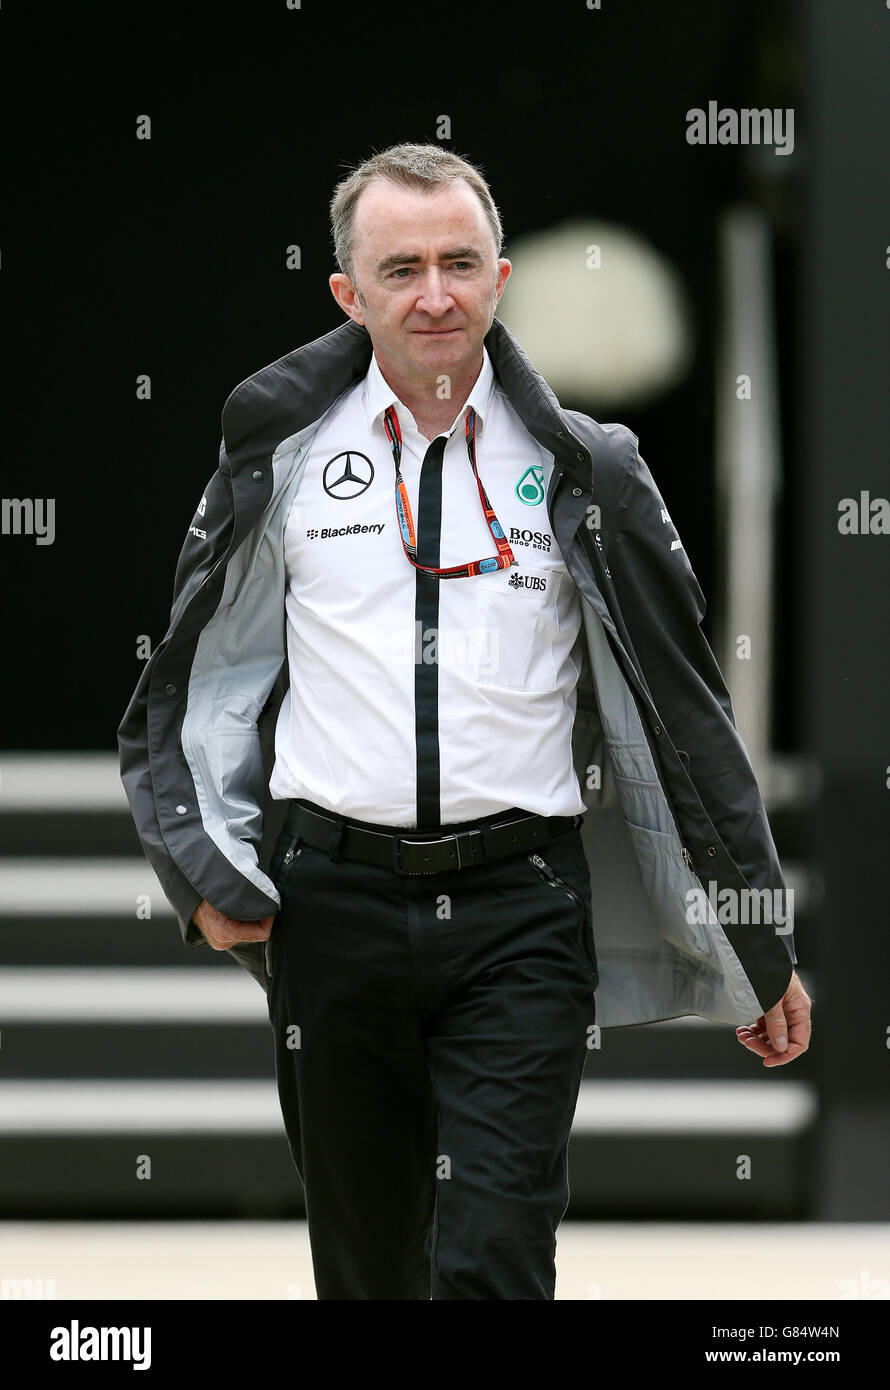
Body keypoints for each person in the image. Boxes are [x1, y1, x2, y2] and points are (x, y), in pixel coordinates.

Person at [118, 141, 811, 1300]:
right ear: (349, 293)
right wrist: (198, 871)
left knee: (494, 1257)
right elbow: (185, 685)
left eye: (458, 261)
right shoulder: (277, 458)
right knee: (370, 1271)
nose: (432, 292)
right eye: (399, 268)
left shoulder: (590, 464)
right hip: (330, 907)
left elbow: (687, 711)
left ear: (499, 279)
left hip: (520, 911)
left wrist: (757, 931)